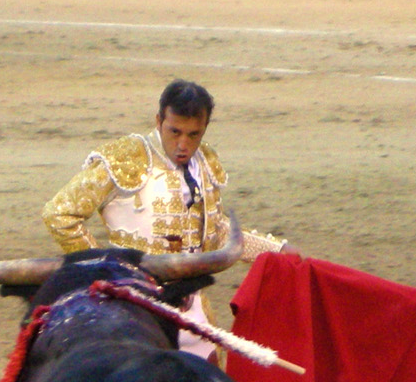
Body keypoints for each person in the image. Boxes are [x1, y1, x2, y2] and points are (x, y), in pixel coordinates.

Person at [41, 80, 291, 359]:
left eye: (193, 135)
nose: (183, 145)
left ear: (205, 129)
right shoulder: (127, 158)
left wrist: (276, 251)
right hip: (134, 308)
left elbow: (217, 234)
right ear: (159, 120)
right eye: (175, 132)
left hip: (192, 309)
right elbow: (60, 213)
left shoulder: (204, 163)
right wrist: (104, 271)